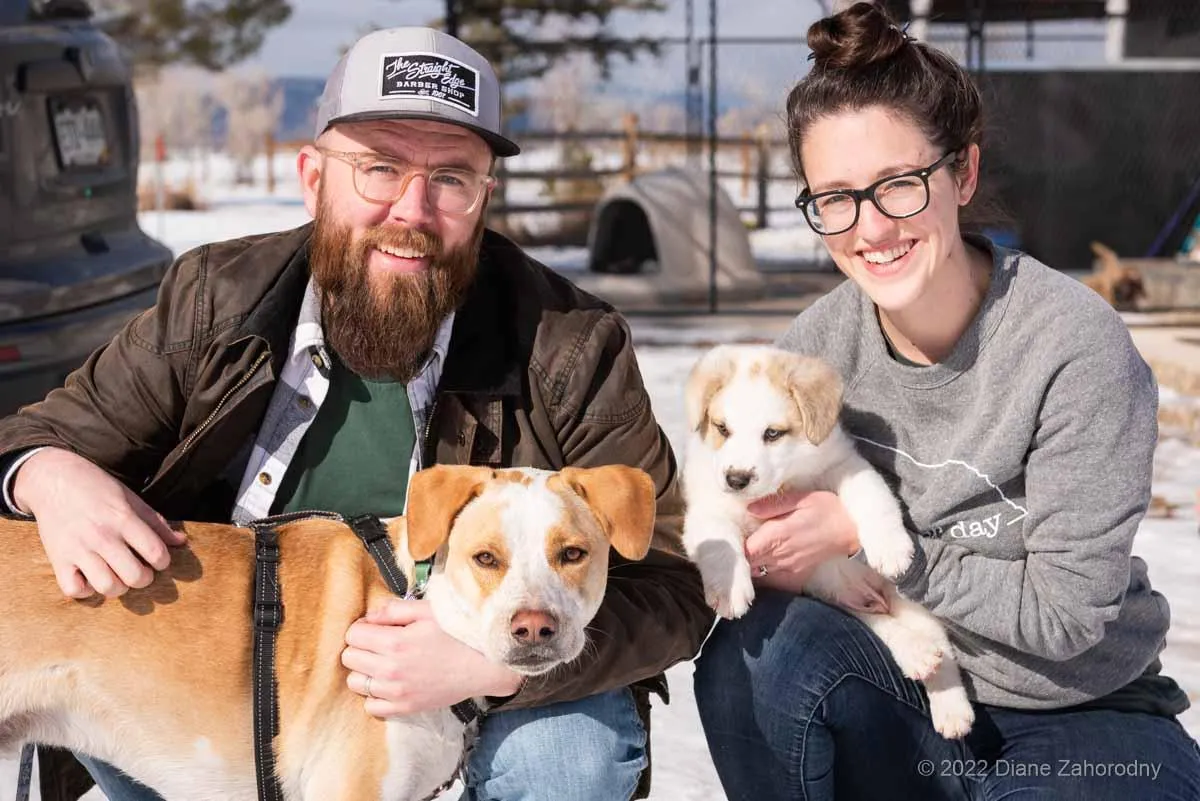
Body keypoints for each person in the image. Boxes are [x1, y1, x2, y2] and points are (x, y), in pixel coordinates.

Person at [0, 26, 713, 801]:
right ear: (313, 177)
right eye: (379, 167)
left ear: (484, 198)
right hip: (228, 680)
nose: (412, 208)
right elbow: (36, 435)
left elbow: (674, 582)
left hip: (485, 666)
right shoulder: (214, 298)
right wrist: (48, 474)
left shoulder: (569, 342)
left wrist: (489, 665)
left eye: (451, 178)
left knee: (569, 759)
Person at [692, 3, 1200, 800]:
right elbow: (748, 521)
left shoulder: (1071, 347)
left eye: (898, 186)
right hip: (899, 682)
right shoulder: (809, 357)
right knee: (745, 658)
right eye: (836, 198)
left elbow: (1066, 618)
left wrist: (863, 530)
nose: (870, 229)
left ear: (961, 172)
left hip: (1081, 709)